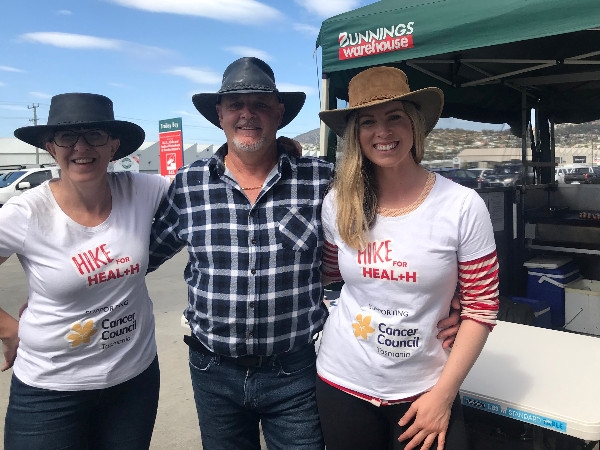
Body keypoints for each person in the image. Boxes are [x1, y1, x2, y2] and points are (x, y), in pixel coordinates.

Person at [148, 57, 462, 450]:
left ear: (279, 113)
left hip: (294, 371)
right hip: (213, 370)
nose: (247, 114)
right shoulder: (189, 184)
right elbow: (140, 257)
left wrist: (450, 295)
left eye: (261, 104)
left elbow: (397, 230)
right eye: (236, 105)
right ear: (220, 114)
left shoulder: (321, 179)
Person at [316, 66, 500, 450]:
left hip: (427, 387)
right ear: (356, 135)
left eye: (394, 117)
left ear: (414, 124)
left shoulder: (462, 205)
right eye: (368, 122)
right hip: (342, 380)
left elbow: (482, 306)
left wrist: (443, 396)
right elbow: (330, 272)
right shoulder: (338, 203)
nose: (382, 132)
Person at [1, 93, 170, 449]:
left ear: (113, 146)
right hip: (50, 390)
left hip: (133, 382)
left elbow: (210, 186)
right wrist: (8, 329)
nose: (81, 147)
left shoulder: (142, 190)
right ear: (51, 148)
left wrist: (282, 151)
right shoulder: (25, 213)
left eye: (94, 135)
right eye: (67, 137)